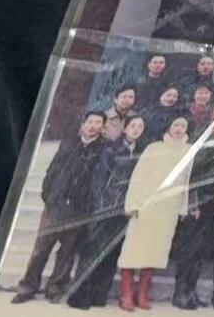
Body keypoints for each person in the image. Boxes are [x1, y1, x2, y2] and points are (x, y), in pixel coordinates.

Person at [11, 111, 107, 304]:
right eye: (90, 121)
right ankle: (28, 287)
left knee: (67, 252)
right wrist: (49, 194)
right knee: (40, 250)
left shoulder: (103, 149)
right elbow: (53, 170)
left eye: (98, 122)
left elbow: (101, 180)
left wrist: (88, 205)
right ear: (84, 123)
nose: (93, 126)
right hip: (55, 207)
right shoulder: (69, 143)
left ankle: (55, 288)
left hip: (78, 210)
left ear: (103, 126)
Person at [67, 115, 146, 310]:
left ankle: (99, 294)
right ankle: (79, 295)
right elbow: (99, 179)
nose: (136, 129)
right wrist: (102, 207)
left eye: (140, 126)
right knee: (93, 251)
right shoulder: (110, 148)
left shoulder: (142, 151)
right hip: (105, 208)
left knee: (112, 253)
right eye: (133, 125)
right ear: (125, 128)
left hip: (125, 210)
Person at [117, 115, 194, 311]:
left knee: (155, 252)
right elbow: (139, 176)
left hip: (168, 210)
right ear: (168, 127)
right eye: (175, 125)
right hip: (146, 207)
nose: (178, 129)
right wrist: (133, 203)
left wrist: (183, 207)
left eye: (182, 126)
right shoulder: (154, 148)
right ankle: (126, 294)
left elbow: (186, 181)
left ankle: (142, 293)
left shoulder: (188, 150)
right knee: (133, 250)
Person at [171, 116, 214, 311]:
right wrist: (193, 204)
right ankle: (180, 293)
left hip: (212, 206)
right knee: (189, 251)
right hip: (200, 205)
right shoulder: (209, 147)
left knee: (199, 251)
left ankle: (191, 291)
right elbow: (194, 176)